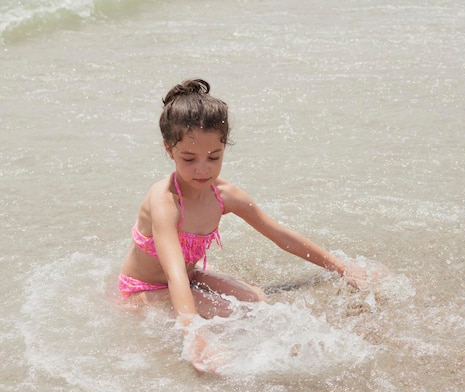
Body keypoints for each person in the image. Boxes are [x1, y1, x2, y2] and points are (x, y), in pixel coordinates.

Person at [118, 78, 366, 371]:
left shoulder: (224, 196)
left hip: (191, 275)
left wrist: (341, 268)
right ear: (169, 150)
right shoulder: (165, 202)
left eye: (214, 157)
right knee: (230, 314)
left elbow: (281, 236)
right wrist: (194, 334)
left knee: (256, 301)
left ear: (224, 148)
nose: (203, 169)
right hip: (142, 290)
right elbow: (174, 276)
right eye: (189, 158)